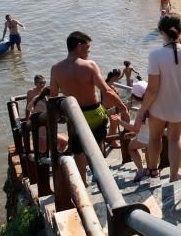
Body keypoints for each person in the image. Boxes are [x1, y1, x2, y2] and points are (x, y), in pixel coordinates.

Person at [49, 31, 130, 182]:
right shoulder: (90, 65)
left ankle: (83, 182)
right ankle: (100, 178)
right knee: (97, 146)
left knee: (78, 151)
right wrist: (123, 107)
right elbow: (106, 90)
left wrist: (55, 118)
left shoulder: (56, 69)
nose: (89, 51)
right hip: (94, 113)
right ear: (79, 47)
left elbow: (53, 97)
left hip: (75, 116)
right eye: (87, 48)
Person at [140, 15, 181, 182]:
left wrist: (141, 111)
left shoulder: (155, 55)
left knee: (154, 138)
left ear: (161, 32)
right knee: (175, 139)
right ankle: (174, 176)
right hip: (180, 105)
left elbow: (152, 90)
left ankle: (153, 172)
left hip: (159, 106)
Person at [110, 80, 151, 181]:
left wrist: (120, 122)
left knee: (131, 148)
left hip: (145, 138)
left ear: (135, 97)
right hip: (155, 137)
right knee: (148, 152)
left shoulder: (142, 111)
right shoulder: (155, 104)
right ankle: (150, 169)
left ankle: (141, 170)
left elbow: (136, 129)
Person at [25, 74, 68, 154]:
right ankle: (56, 157)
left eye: (44, 82)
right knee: (61, 144)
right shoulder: (34, 95)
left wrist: (31, 117)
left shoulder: (37, 98)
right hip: (43, 132)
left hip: (41, 128)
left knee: (44, 151)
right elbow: (28, 108)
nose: (42, 84)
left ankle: (54, 157)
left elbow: (29, 108)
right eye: (40, 83)